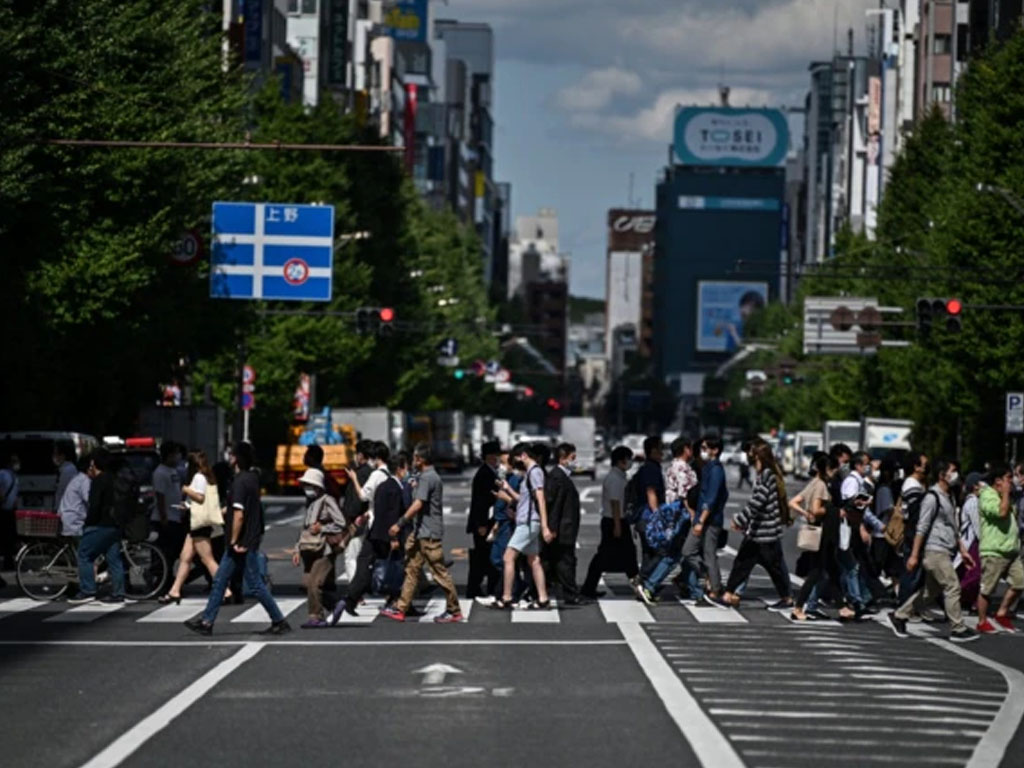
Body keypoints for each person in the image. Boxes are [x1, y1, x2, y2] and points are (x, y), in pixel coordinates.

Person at [185, 442, 290, 636]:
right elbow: (244, 509)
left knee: (255, 584)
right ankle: (207, 622)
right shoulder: (252, 478)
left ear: (236, 458)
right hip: (245, 540)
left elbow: (240, 514)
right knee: (220, 580)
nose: (229, 457)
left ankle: (279, 620)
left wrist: (234, 540)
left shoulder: (240, 481)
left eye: (232, 454)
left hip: (241, 543)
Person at [888, 459, 979, 643]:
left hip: (947, 549)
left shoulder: (949, 497)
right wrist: (914, 555)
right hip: (934, 550)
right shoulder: (932, 497)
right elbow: (922, 527)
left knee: (930, 592)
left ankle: (900, 615)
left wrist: (963, 550)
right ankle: (957, 628)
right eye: (952, 471)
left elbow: (954, 527)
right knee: (952, 585)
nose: (956, 475)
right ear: (942, 474)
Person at [380, 444, 463, 623]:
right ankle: (401, 608)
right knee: (411, 568)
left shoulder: (428, 478)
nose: (412, 461)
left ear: (420, 459)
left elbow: (418, 504)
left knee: (439, 572)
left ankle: (454, 610)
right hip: (420, 532)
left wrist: (399, 523)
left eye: (414, 458)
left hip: (428, 533)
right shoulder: (426, 477)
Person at [334, 452, 407, 620]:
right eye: (405, 468)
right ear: (400, 469)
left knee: (366, 567)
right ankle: (396, 601)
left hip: (374, 531)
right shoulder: (393, 487)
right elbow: (391, 515)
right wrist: (394, 538)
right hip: (385, 534)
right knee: (393, 568)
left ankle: (351, 600)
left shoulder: (383, 485)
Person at [722, 443, 793, 611]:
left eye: (754, 456)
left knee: (774, 567)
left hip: (765, 533)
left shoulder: (767, 475)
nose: (751, 459)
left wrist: (740, 519)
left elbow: (758, 502)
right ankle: (728, 594)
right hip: (758, 532)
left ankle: (787, 598)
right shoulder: (765, 475)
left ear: (760, 458)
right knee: (742, 563)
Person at [491, 442, 553, 610]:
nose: (515, 463)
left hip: (528, 523)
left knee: (508, 557)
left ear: (524, 455)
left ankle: (506, 598)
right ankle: (543, 598)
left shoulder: (535, 472)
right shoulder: (531, 473)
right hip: (527, 521)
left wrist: (545, 526)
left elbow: (541, 499)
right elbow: (523, 499)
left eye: (517, 458)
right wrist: (508, 489)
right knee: (534, 560)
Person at [159, 451, 227, 604]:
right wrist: (187, 505)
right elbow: (199, 499)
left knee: (208, 560)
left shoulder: (199, 477)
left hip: (200, 524)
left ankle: (226, 591)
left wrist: (185, 489)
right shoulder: (207, 477)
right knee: (185, 558)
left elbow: (200, 497)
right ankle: (174, 591)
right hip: (197, 523)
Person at [68, 450, 126, 604]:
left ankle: (87, 590)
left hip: (101, 524)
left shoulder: (99, 480)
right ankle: (118, 592)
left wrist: (88, 524)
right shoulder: (115, 478)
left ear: (94, 463)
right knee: (114, 558)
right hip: (116, 524)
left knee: (84, 554)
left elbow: (94, 506)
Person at [293, 468, 347, 628]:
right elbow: (304, 529)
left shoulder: (327, 500)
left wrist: (322, 529)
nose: (305, 488)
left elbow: (341, 523)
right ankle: (335, 603)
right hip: (309, 548)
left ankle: (316, 617)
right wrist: (297, 548)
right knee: (307, 583)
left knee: (314, 583)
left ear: (317, 486)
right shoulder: (311, 503)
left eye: (308, 484)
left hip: (324, 548)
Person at [789, 452, 839, 621]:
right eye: (832, 469)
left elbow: (793, 502)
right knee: (817, 573)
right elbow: (817, 509)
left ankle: (843, 607)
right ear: (825, 469)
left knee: (821, 571)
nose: (834, 473)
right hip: (820, 533)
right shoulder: (822, 486)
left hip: (815, 531)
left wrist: (805, 512)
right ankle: (798, 607)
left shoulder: (813, 483)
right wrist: (833, 511)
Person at [581, 446, 637, 598]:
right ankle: (640, 587)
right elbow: (615, 503)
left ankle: (588, 587)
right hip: (614, 521)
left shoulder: (619, 476)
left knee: (623, 555)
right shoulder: (614, 478)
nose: (631, 462)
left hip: (615, 521)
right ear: (621, 461)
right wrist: (618, 526)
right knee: (610, 556)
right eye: (628, 459)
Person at [677, 436, 726, 606]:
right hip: (702, 518)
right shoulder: (708, 468)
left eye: (705, 448)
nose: (702, 451)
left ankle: (715, 590)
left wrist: (701, 521)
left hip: (709, 521)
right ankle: (712, 579)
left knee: (706, 554)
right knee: (690, 552)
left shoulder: (716, 470)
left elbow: (710, 499)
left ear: (715, 450)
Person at [976, 464, 1021, 633]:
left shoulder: (1006, 496)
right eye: (1009, 478)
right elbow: (1001, 513)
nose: (1012, 481)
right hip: (994, 550)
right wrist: (1006, 494)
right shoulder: (987, 495)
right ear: (998, 481)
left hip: (1011, 550)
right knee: (987, 589)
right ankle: (981, 621)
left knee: (1019, 582)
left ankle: (1002, 612)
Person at [544, 442, 584, 604]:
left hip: (564, 527)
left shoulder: (560, 477)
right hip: (562, 528)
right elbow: (554, 505)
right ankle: (570, 593)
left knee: (559, 561)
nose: (575, 461)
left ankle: (563, 590)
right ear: (562, 459)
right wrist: (552, 528)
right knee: (565, 561)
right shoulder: (557, 477)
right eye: (572, 458)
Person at [466, 440, 501, 599]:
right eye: (494, 455)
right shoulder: (484, 474)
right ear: (487, 457)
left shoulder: (490, 472)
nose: (497, 458)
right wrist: (481, 524)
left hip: (487, 522)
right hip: (483, 523)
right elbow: (480, 502)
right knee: (482, 557)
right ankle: (475, 587)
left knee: (485, 556)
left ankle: (484, 586)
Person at [152, 441, 187, 596]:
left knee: (173, 554)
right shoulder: (160, 472)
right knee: (166, 554)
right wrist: (163, 517)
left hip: (175, 517)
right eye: (176, 453)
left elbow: (175, 493)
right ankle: (162, 583)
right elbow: (160, 496)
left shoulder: (172, 471)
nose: (178, 457)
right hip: (164, 519)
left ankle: (168, 582)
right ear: (168, 455)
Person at [955, 472, 984, 611]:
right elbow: (977, 524)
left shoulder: (974, 500)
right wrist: (984, 541)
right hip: (972, 542)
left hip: (972, 541)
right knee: (974, 574)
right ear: (975, 486)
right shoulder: (973, 501)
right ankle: (956, 596)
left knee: (969, 573)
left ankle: (969, 600)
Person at [58, 454, 94, 540]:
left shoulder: (77, 478)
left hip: (67, 518)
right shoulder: (84, 480)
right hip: (74, 521)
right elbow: (89, 499)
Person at [0, 450, 20, 572]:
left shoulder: (13, 476)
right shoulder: (3, 474)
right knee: (7, 537)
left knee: (8, 538)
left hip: (8, 510)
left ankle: (8, 561)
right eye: (14, 461)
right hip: (4, 510)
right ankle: (8, 561)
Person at [53, 441, 78, 509]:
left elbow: (62, 492)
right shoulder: (64, 469)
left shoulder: (68, 470)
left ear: (63, 456)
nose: (54, 457)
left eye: (56, 454)